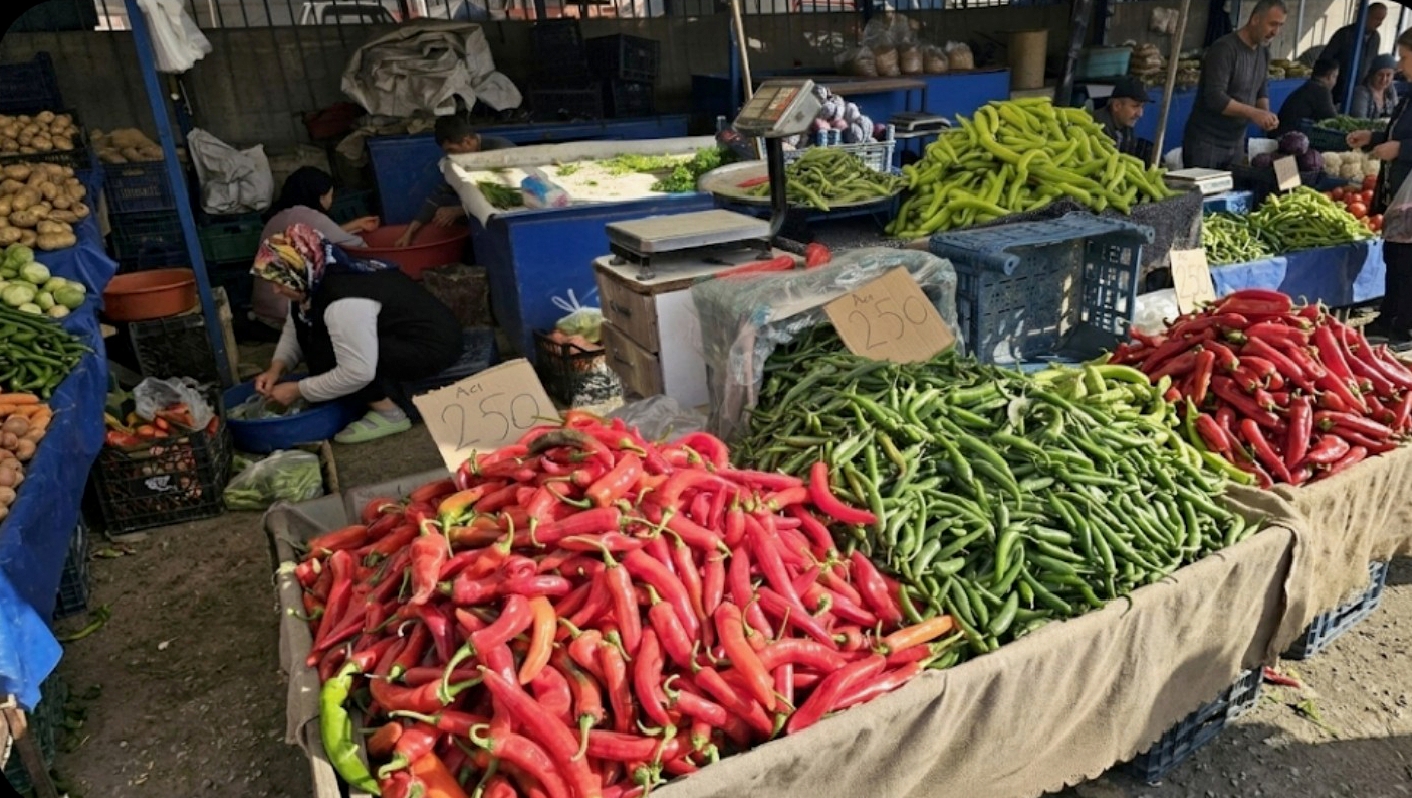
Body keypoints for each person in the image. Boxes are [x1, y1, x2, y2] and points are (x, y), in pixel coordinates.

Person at [251, 224, 464, 444]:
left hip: (432, 344)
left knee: (326, 353)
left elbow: (357, 372)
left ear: (299, 268)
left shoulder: (342, 302)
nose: (276, 290)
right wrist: (277, 368)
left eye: (280, 281)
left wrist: (297, 391)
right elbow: (295, 326)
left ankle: (390, 413)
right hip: (396, 333)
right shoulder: (312, 280)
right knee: (319, 343)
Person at [252, 167, 380, 331]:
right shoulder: (312, 217)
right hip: (289, 314)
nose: (331, 201)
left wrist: (356, 225)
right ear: (320, 197)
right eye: (330, 195)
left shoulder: (278, 218)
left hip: (264, 311)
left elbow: (317, 235)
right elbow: (358, 247)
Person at [1348, 28, 1412, 345]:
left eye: (1404, 56)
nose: (1400, 65)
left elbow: (1405, 141)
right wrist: (1373, 138)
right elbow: (1398, 131)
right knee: (1395, 255)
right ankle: (1389, 318)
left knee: (1406, 259)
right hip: (1399, 189)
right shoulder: (1410, 93)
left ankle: (1404, 327)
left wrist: (1401, 149)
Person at [1183, 0, 1287, 170]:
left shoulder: (1263, 52)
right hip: (1206, 142)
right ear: (1255, 20)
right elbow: (1215, 98)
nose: (1276, 32)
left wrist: (1266, 114)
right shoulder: (1224, 49)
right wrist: (1254, 113)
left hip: (1236, 142)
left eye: (1280, 25)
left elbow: (1261, 90)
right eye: (1272, 24)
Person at [393, 115, 516, 248]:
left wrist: (458, 211)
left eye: (452, 151)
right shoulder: (464, 160)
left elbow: (510, 196)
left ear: (467, 142)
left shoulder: (500, 151)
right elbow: (440, 193)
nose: (450, 157)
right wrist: (409, 233)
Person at [1323, 2, 1388, 103]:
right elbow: (1326, 58)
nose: (1379, 23)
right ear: (1366, 15)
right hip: (1338, 88)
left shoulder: (1376, 38)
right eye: (1376, 18)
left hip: (1360, 90)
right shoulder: (1344, 34)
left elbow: (1372, 62)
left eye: (1382, 20)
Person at [1093, 77, 1156, 163]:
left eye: (1142, 107)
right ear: (1117, 106)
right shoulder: (1096, 127)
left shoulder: (1126, 129)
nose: (1140, 114)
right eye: (1135, 106)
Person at [1275, 58, 1340, 137]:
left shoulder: (1308, 86)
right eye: (1335, 77)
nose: (1335, 82)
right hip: (1287, 138)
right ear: (1330, 76)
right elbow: (1334, 121)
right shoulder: (1320, 90)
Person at [1351, 54, 1400, 119]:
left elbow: (1397, 115)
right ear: (1372, 75)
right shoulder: (1361, 93)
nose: (1384, 79)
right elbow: (1359, 119)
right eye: (1380, 75)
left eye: (1388, 75)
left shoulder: (1391, 91)